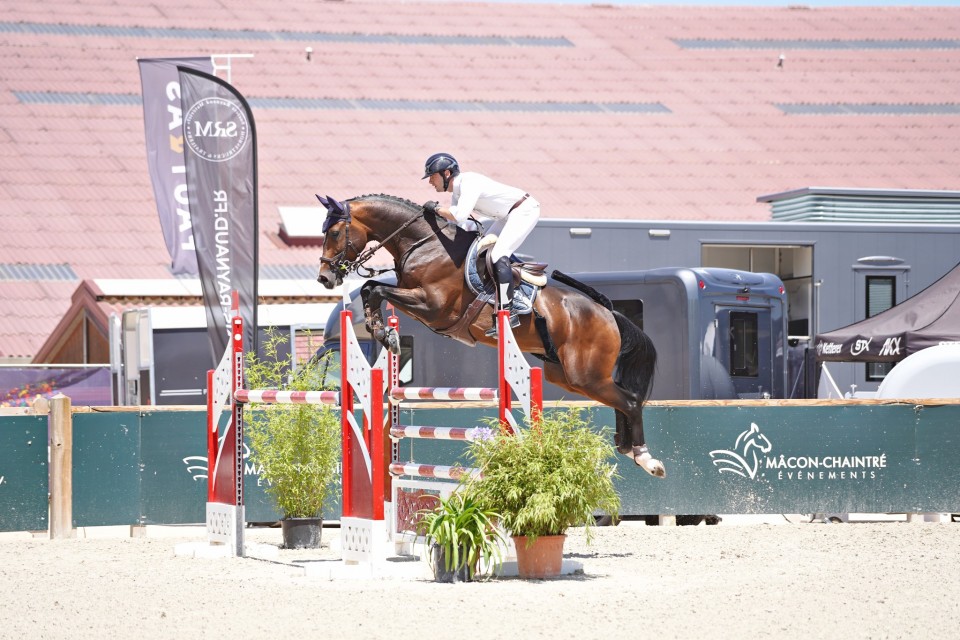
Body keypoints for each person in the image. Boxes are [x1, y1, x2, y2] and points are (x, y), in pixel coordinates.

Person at [421, 152, 541, 336]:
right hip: (506, 216)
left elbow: (458, 215)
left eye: (432, 176)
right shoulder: (457, 191)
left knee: (498, 255)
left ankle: (508, 311)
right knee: (481, 252)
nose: (430, 181)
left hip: (523, 210)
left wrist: (436, 209)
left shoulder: (468, 182)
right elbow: (458, 224)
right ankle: (510, 286)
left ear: (446, 173)